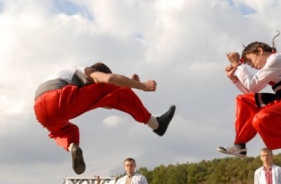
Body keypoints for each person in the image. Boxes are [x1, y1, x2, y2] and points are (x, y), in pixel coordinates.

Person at [34, 62, 176, 174]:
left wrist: (126, 85)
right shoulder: (86, 71)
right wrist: (141, 86)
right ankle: (156, 124)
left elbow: (105, 102)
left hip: (40, 109)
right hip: (57, 97)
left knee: (64, 131)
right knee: (118, 88)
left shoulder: (70, 79)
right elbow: (109, 79)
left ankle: (71, 146)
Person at [217, 32, 281, 168]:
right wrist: (235, 79)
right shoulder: (271, 65)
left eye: (250, 60)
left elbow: (253, 85)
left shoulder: (276, 59)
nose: (251, 65)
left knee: (260, 118)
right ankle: (240, 145)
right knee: (243, 100)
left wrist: (238, 65)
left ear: (260, 51)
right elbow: (251, 90)